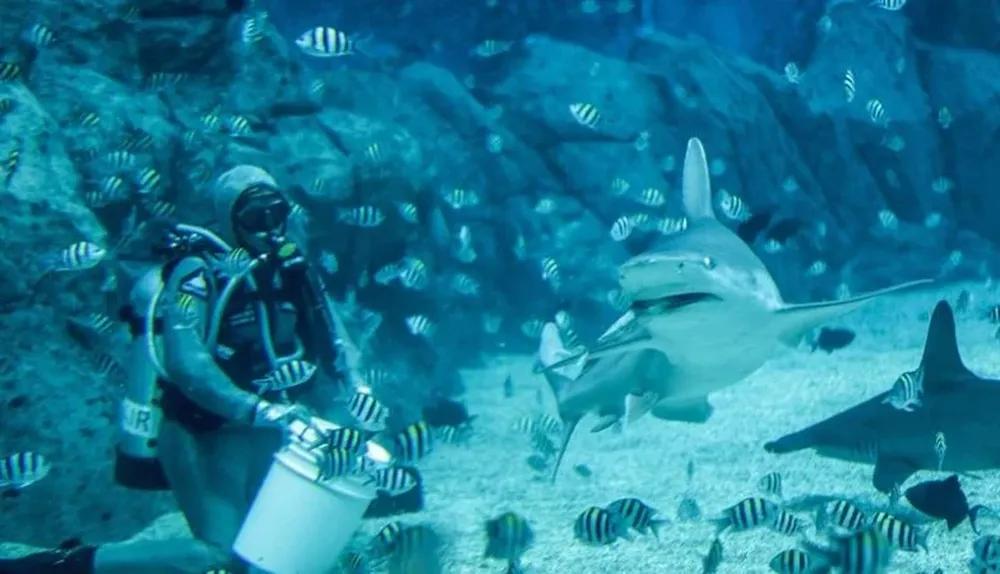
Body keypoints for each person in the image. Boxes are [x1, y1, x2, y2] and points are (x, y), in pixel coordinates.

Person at [0, 165, 349, 574]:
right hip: (199, 434)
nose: (270, 227)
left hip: (262, 432)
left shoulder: (291, 270)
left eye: (277, 213)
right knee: (217, 556)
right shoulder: (196, 273)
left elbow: (337, 342)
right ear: (230, 220)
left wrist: (357, 395)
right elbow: (189, 366)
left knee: (268, 556)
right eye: (256, 217)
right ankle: (52, 567)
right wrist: (258, 409)